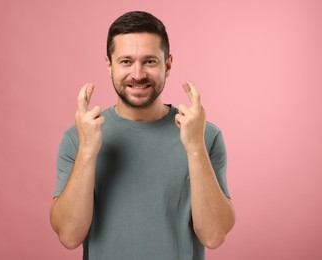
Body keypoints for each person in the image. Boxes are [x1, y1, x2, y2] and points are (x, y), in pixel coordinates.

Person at [50, 11, 235, 260]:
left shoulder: (205, 136)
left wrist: (195, 148)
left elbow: (213, 236)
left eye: (149, 61)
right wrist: (86, 151)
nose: (137, 75)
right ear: (109, 65)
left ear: (167, 65)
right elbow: (69, 236)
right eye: (126, 61)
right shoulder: (79, 137)